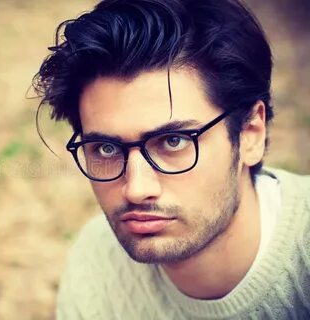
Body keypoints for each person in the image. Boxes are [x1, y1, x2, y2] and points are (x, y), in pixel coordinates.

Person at [33, 0, 310, 318]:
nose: (136, 189)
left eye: (173, 141)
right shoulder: (97, 263)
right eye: (106, 148)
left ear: (250, 133)